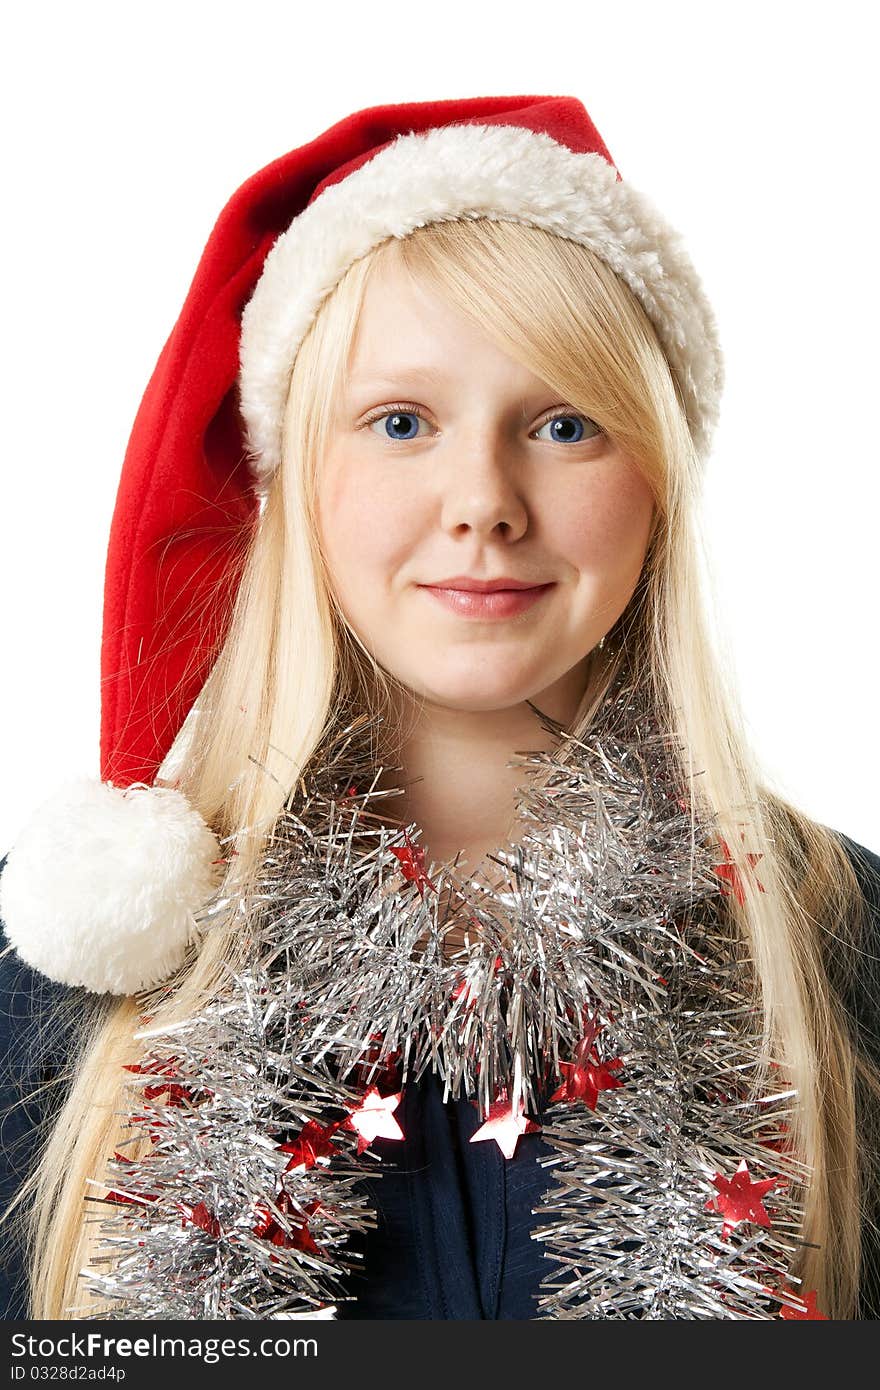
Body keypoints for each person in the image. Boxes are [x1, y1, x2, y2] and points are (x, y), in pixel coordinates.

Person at [1, 93, 879, 1322]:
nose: (483, 500)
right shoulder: (72, 970)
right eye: (401, 422)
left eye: (564, 425)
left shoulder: (839, 941)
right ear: (298, 473)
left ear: (656, 484)